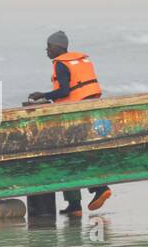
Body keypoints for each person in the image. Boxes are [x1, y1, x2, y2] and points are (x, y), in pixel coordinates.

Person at [27, 30, 111, 217]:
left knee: (70, 157)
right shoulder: (79, 61)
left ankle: (98, 189)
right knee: (73, 155)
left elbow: (64, 91)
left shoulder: (61, 64)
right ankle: (75, 206)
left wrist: (43, 96)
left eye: (49, 47)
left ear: (58, 48)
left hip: (75, 116)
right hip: (89, 111)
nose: (47, 51)